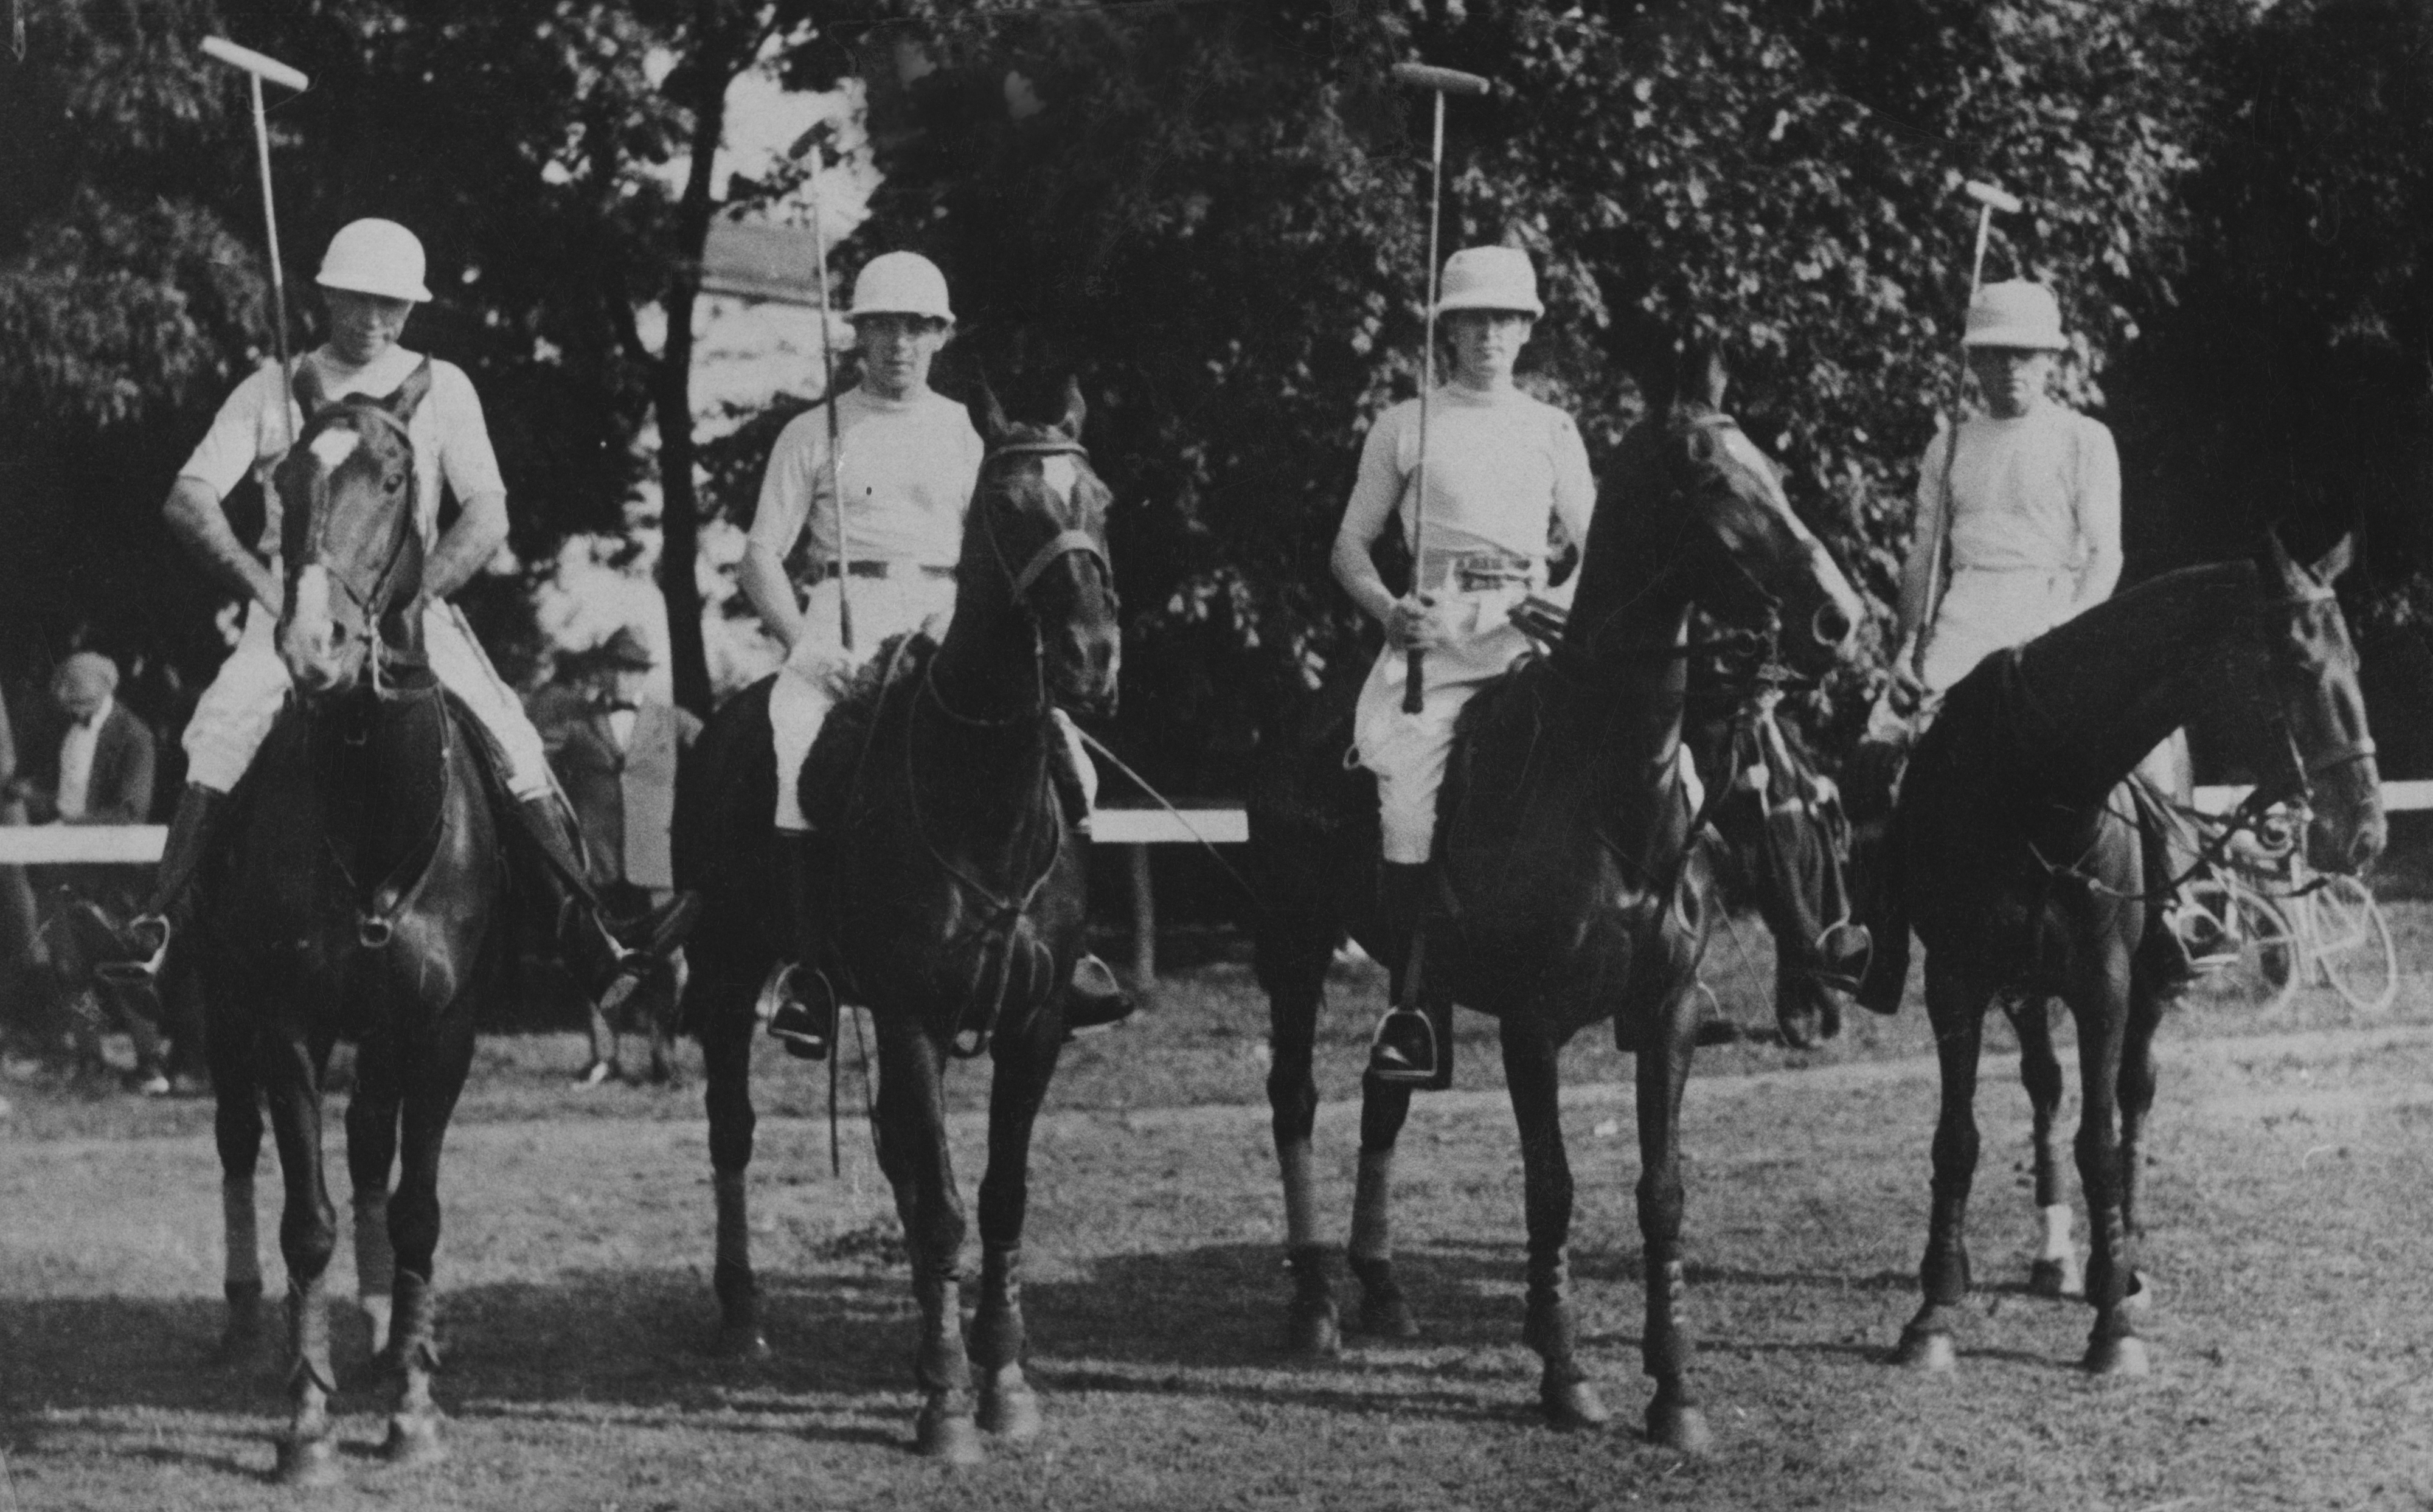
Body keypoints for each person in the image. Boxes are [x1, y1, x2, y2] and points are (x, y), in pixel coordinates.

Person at [128, 218, 691, 1012]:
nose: (373, 320)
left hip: (405, 622)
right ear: (326, 293)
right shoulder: (270, 386)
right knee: (221, 727)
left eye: (391, 305)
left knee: (514, 736)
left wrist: (417, 599)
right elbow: (188, 500)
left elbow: (488, 514)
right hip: (294, 614)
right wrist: (269, 590)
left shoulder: (444, 385)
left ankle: (588, 936)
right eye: (358, 300)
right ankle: (160, 933)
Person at [738, 250, 1129, 1060]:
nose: (898, 345)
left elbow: (1002, 547)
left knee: (1076, 771)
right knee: (791, 751)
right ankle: (811, 972)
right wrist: (807, 649)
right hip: (842, 626)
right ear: (859, 337)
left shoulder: (967, 432)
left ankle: (1070, 954)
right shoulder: (812, 433)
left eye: (916, 328)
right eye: (883, 328)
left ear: (940, 336)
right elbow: (759, 560)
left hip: (949, 618)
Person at [1857, 279, 2224, 1010]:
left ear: (2050, 359)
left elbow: (2105, 555)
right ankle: (1877, 935)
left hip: (2058, 615)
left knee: (2150, 750)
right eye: (1993, 356)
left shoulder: (2084, 439)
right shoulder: (1949, 444)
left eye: (2023, 355)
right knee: (1875, 749)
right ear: (1974, 362)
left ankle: (2181, 918)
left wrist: (2078, 642)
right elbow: (1923, 561)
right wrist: (1904, 649)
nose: (2009, 370)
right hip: (1966, 622)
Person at [1331, 246, 1597, 1084]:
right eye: (1473, 319)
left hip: (1533, 633)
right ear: (1448, 330)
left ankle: (1666, 959)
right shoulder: (1405, 424)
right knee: (1408, 785)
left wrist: (1559, 597)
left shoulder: (1552, 428)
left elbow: (1598, 547)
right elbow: (1349, 546)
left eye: (1505, 319)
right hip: (1436, 640)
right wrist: (1390, 610)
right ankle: (1412, 1004)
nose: (1489, 334)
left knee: (1660, 759)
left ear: (1526, 331)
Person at [537, 626, 699, 1086]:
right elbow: (530, 765)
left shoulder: (673, 721)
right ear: (602, 673)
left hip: (658, 862)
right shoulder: (574, 723)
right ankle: (605, 1058)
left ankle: (664, 1059)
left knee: (667, 964)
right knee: (600, 963)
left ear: (645, 675)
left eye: (633, 670)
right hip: (597, 865)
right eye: (616, 669)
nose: (624, 679)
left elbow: (715, 754)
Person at [11, 653, 169, 1090]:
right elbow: (64, 795)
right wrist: (33, 796)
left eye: (81, 702)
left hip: (116, 873)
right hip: (67, 865)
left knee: (124, 965)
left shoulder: (134, 736)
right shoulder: (68, 732)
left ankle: (150, 1064)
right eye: (69, 704)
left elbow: (129, 810)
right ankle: (90, 1060)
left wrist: (68, 826)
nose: (74, 711)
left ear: (104, 692)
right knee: (69, 967)